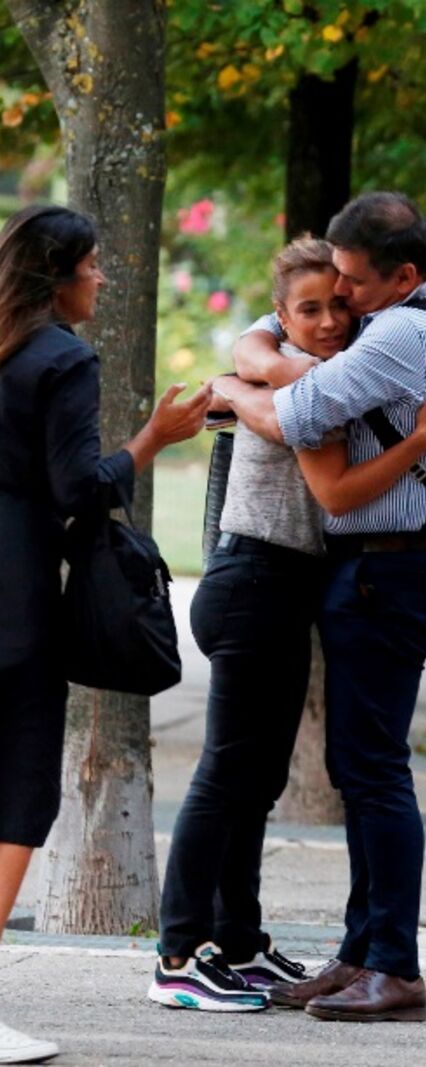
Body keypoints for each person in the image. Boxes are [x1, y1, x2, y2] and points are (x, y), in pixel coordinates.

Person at [150, 233, 426, 1015]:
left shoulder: (335, 373)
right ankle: (179, 952)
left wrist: (258, 363)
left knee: (255, 779)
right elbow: (330, 486)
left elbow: (249, 361)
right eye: (310, 309)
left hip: (284, 584)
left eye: (340, 302)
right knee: (230, 772)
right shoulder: (312, 399)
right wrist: (265, 369)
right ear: (283, 314)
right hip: (252, 578)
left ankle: (239, 940)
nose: (329, 319)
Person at [0, 204, 211, 1064]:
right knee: (18, 796)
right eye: (95, 266)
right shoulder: (61, 358)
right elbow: (77, 488)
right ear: (62, 277)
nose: (104, 279)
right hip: (15, 606)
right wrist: (154, 438)